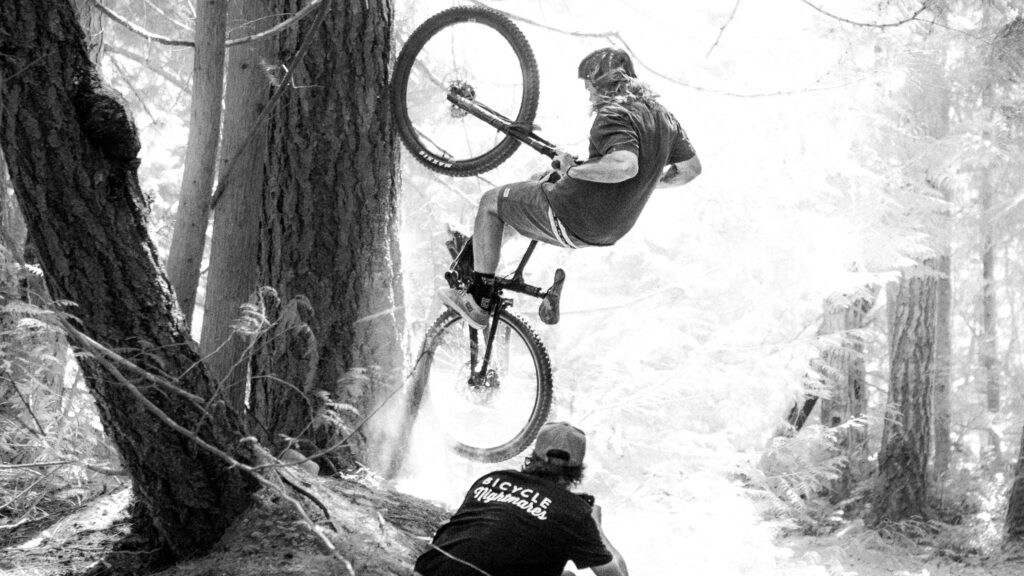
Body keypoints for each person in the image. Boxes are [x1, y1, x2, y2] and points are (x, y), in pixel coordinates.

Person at [440, 47, 702, 329]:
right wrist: (644, 183)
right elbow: (690, 169)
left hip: (573, 214)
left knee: (491, 203)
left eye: (590, 88)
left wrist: (572, 170)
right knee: (538, 180)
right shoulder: (664, 118)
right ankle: (475, 255)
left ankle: (479, 300)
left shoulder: (613, 113)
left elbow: (625, 165)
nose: (590, 97)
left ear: (603, 82)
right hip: (608, 231)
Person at [413, 422, 629, 576]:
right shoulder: (574, 511)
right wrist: (595, 525)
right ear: (578, 470)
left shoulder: (492, 479)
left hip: (428, 569)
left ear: (534, 456)